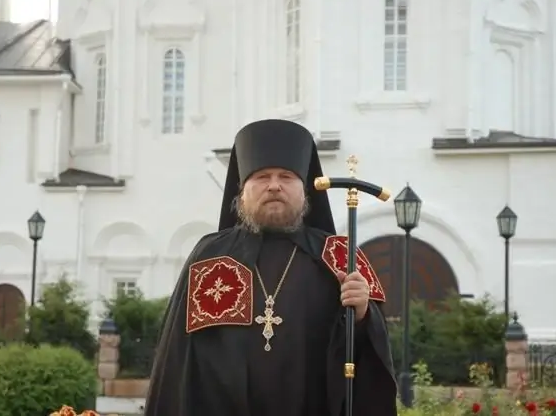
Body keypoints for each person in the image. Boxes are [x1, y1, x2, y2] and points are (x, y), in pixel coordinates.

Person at [144, 119, 397, 416]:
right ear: (242, 191)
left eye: (287, 177)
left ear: (305, 191)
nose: (274, 185)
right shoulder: (210, 256)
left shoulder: (339, 256)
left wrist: (363, 314)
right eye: (262, 177)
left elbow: (369, 358)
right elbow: (178, 360)